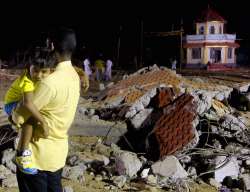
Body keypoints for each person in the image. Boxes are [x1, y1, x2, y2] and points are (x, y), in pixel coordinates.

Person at [13, 28, 80, 192]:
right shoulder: (75, 76)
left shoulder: (49, 82)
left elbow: (19, 117)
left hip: (37, 157)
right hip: (57, 155)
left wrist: (15, 111)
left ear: (51, 46)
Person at [4, 50, 51, 174]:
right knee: (30, 119)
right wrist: (43, 122)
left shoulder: (47, 72)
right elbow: (28, 103)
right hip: (12, 104)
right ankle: (21, 155)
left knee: (34, 112)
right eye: (35, 70)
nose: (39, 75)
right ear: (28, 67)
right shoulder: (27, 81)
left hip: (22, 101)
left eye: (44, 71)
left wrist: (81, 73)